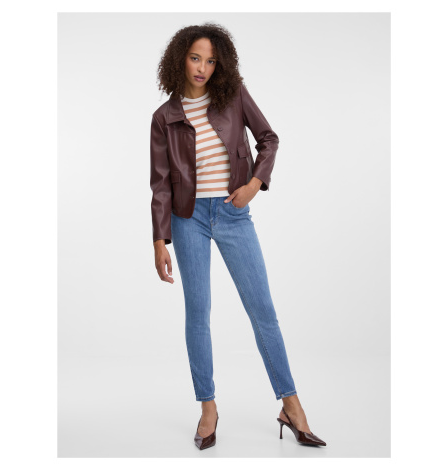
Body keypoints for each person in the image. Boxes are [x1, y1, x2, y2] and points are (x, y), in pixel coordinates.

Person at [150, 23, 326, 450]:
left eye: (211, 60)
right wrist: (159, 240)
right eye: (195, 58)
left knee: (262, 310)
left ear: (220, 64)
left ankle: (291, 406)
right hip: (188, 218)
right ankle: (208, 408)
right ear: (179, 59)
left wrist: (254, 185)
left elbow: (268, 138)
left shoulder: (233, 97)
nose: (202, 67)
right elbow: (160, 184)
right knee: (198, 314)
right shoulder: (164, 117)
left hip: (233, 213)